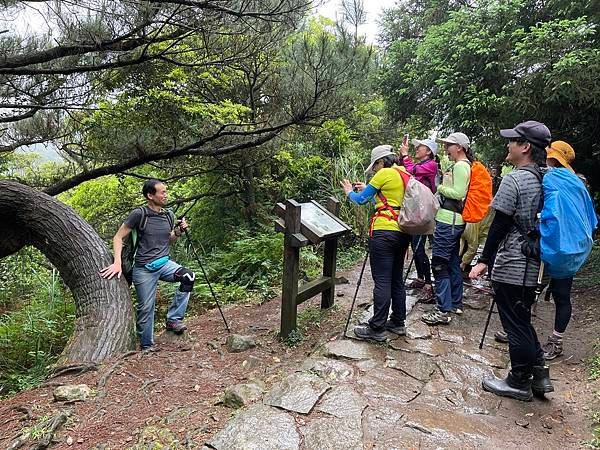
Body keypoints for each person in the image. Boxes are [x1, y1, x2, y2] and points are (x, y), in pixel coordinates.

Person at [470, 120, 554, 401]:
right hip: (538, 264)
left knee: (514, 324)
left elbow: (499, 225)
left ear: (526, 147)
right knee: (523, 319)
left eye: (513, 141)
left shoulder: (515, 179)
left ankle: (518, 381)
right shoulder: (549, 177)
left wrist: (483, 260)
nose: (508, 144)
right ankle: (540, 375)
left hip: (514, 264)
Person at [100, 179, 194, 352]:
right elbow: (118, 237)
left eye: (166, 192)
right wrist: (117, 263)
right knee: (146, 308)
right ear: (150, 195)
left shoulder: (168, 215)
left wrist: (178, 232)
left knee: (188, 277)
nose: (165, 195)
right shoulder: (139, 214)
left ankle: (173, 319)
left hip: (164, 263)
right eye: (162, 192)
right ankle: (147, 346)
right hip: (143, 269)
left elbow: (168, 240)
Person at [341, 145, 411, 342]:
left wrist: (348, 192)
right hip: (402, 232)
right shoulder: (404, 173)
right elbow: (387, 201)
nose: (374, 170)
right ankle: (398, 321)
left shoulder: (384, 173)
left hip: (383, 233)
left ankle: (377, 328)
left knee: (382, 281)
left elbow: (360, 200)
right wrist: (370, 189)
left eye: (375, 166)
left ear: (381, 161)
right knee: (396, 279)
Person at [421, 132, 472, 325]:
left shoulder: (460, 166)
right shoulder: (464, 165)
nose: (445, 149)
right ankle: (456, 303)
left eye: (449, 145)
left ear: (459, 147)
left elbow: (458, 193)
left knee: (439, 264)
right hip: (455, 221)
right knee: (451, 263)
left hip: (448, 222)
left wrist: (439, 187)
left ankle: (442, 310)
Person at [399, 138, 440, 299]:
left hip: (426, 211)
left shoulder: (431, 165)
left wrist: (405, 155)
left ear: (428, 151)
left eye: (420, 147)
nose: (417, 149)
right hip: (417, 209)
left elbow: (412, 171)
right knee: (415, 244)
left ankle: (429, 283)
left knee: (420, 247)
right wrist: (403, 154)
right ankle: (421, 278)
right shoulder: (424, 164)